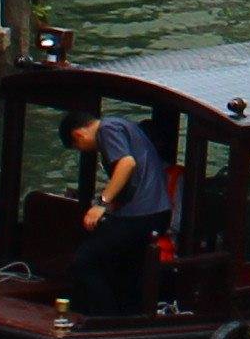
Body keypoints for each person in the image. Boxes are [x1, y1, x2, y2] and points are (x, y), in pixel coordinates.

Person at [63, 101, 174, 317]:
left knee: (84, 261)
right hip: (156, 212)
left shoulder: (106, 129)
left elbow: (126, 163)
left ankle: (104, 318)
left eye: (78, 148)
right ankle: (127, 313)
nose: (83, 150)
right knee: (123, 264)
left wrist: (101, 204)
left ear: (78, 135)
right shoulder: (123, 125)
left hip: (141, 214)